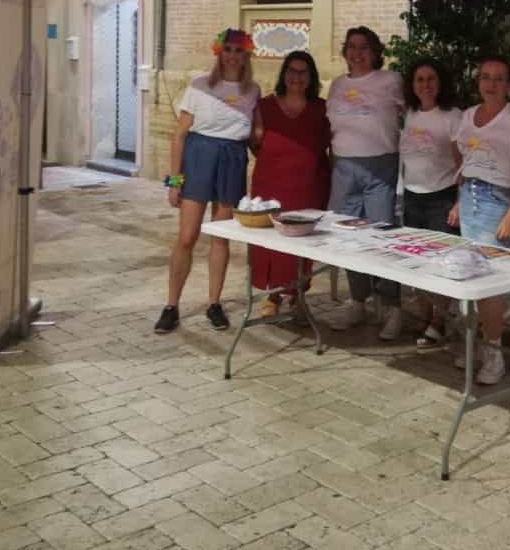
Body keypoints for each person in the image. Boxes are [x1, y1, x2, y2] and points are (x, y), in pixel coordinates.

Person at [156, 28, 260, 334]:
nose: (232, 55)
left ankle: (214, 303)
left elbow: (256, 134)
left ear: (246, 56)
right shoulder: (199, 85)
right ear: (219, 52)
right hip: (199, 157)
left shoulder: (252, 90)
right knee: (187, 236)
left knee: (220, 237)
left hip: (232, 160)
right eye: (227, 49)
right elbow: (178, 136)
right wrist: (174, 182)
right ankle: (171, 305)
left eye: (238, 50)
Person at [450, 54, 510, 385]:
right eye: (486, 77)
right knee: (469, 277)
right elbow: (462, 156)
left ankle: (495, 354)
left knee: (490, 283)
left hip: (497, 201)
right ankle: (476, 346)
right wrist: (459, 200)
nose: (492, 84)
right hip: (469, 197)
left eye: (499, 78)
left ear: (509, 85)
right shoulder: (469, 116)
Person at [326, 26, 406, 339]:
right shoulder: (336, 85)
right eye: (352, 47)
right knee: (349, 239)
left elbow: (411, 116)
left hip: (380, 168)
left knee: (382, 237)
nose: (357, 53)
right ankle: (358, 302)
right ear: (345, 51)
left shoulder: (390, 80)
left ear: (375, 52)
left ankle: (393, 307)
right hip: (344, 168)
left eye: (364, 47)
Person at [249, 51, 331, 319]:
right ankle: (272, 296)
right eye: (292, 71)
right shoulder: (264, 106)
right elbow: (254, 143)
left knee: (302, 241)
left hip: (309, 185)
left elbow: (328, 145)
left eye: (303, 72)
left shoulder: (321, 108)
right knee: (270, 240)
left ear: (311, 77)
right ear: (284, 74)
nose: (297, 77)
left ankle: (298, 296)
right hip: (271, 184)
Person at [399, 57, 463, 347]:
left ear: (440, 83)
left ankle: (439, 320)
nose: (425, 85)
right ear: (412, 85)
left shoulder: (452, 116)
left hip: (442, 196)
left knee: (441, 261)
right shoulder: (410, 114)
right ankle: (425, 317)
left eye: (431, 79)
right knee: (418, 260)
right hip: (413, 197)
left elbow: (464, 163)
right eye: (419, 79)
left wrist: (459, 203)